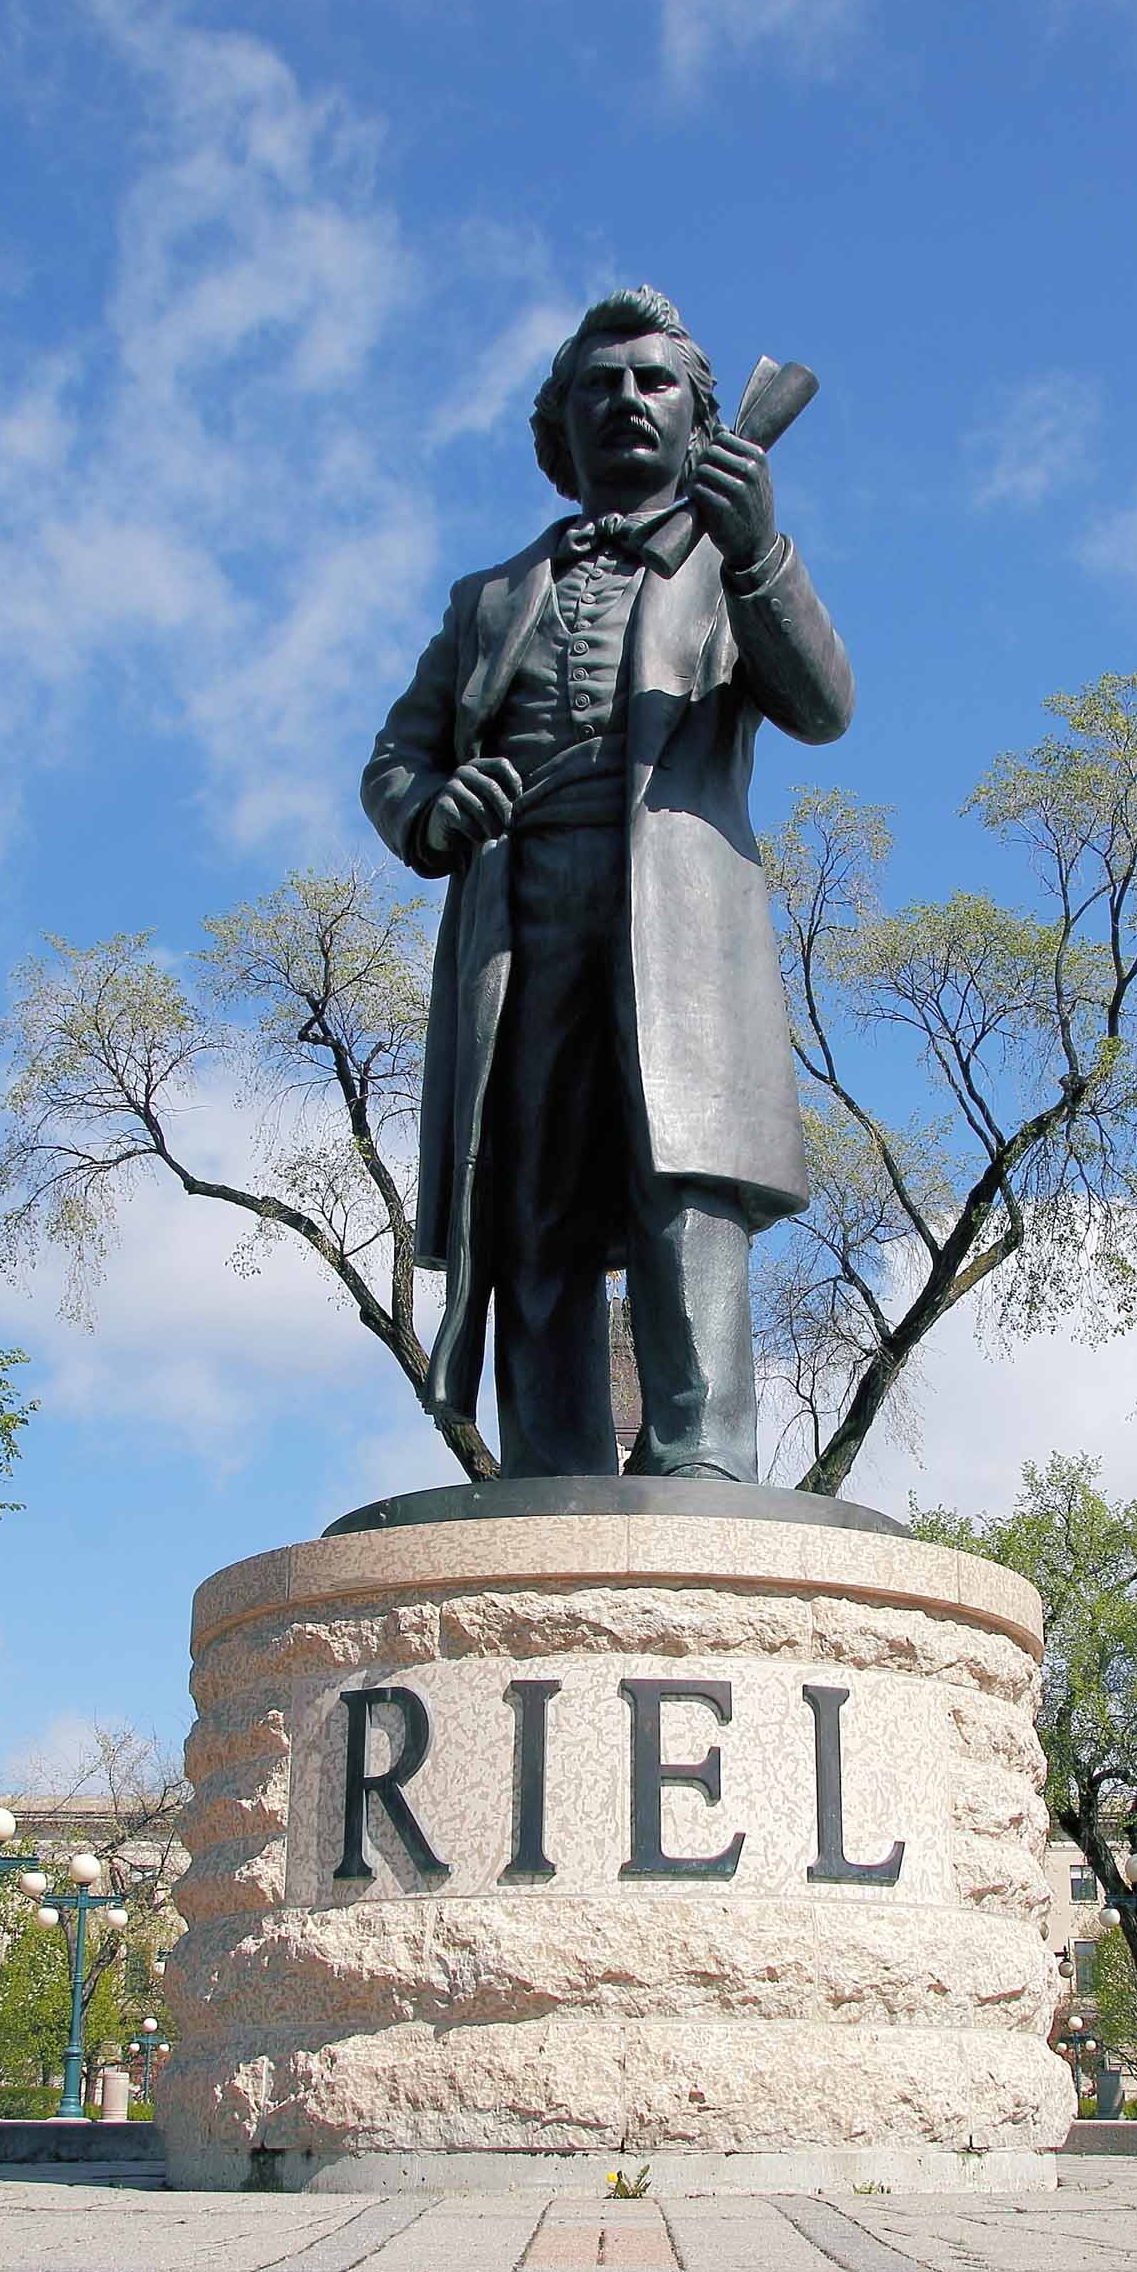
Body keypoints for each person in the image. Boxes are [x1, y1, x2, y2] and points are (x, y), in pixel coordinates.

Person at [362, 285, 854, 1479]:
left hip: (675, 921)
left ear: (699, 422)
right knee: (526, 1194)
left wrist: (761, 552)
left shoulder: (728, 568)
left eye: (654, 383)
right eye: (599, 384)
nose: (625, 400)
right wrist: (430, 809)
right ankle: (551, 1472)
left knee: (680, 1174)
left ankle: (699, 1462)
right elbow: (395, 759)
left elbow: (822, 706)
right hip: (516, 924)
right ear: (558, 426)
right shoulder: (485, 600)